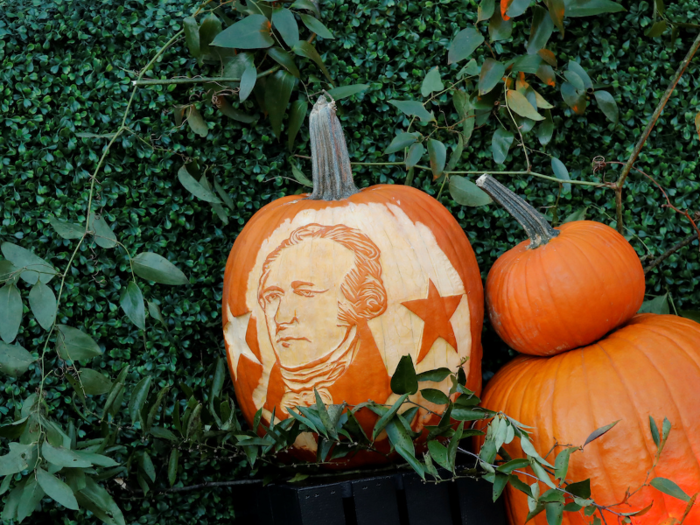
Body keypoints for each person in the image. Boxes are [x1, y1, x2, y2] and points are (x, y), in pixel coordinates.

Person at [258, 223, 392, 418]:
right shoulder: (266, 404)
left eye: (306, 293)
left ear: (361, 300)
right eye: (272, 297)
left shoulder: (393, 397)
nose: (281, 318)